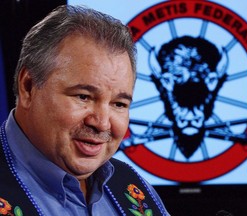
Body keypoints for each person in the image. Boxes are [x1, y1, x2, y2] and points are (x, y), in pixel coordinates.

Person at [0, 5, 169, 216]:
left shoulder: (133, 186)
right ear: (28, 87)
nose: (102, 123)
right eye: (84, 97)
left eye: (119, 104)